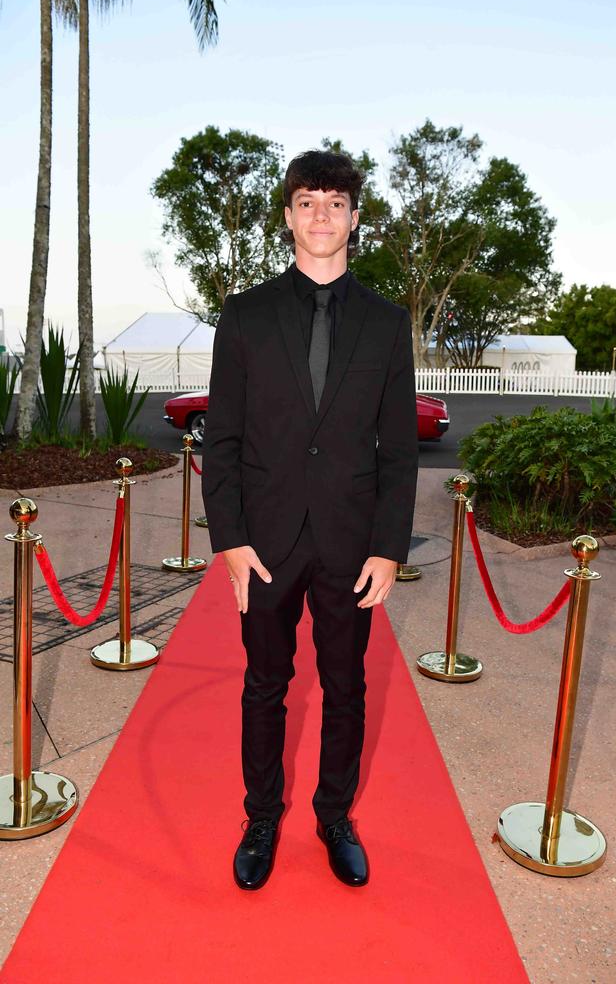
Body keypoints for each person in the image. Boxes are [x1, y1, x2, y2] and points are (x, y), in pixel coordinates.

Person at [202, 149, 418, 890]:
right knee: (265, 683)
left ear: (355, 218)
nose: (320, 214)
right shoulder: (245, 314)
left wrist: (389, 547)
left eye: (334, 202)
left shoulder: (389, 325)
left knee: (346, 685)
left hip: (350, 542)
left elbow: (399, 449)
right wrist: (228, 539)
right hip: (262, 541)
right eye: (306, 201)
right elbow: (221, 438)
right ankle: (261, 817)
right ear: (288, 215)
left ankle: (334, 817)